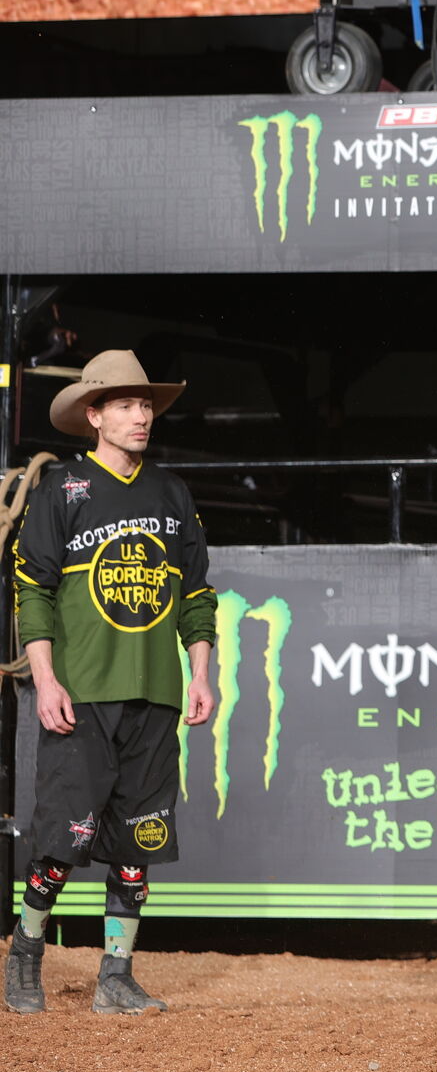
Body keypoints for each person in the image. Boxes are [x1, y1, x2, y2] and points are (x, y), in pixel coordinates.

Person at [6, 351, 218, 1016]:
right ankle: (25, 954)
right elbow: (31, 590)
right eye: (125, 404)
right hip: (82, 693)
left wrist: (201, 672)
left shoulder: (172, 494)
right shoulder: (62, 488)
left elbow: (196, 596)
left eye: (146, 404)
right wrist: (45, 680)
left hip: (154, 695)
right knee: (62, 844)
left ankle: (116, 976)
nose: (140, 415)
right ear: (93, 414)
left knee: (138, 842)